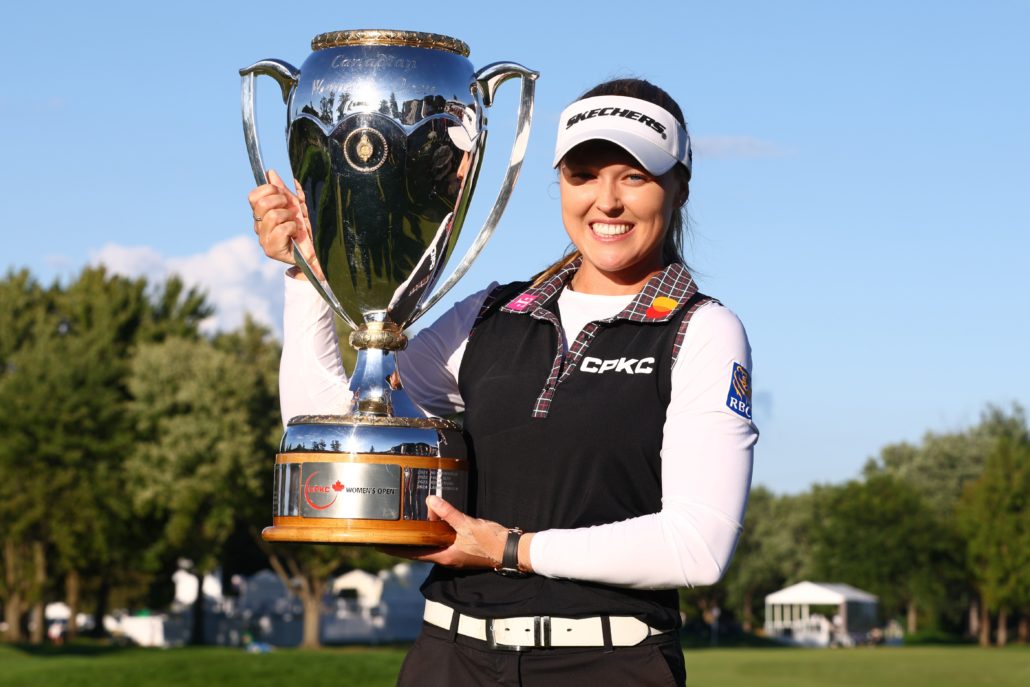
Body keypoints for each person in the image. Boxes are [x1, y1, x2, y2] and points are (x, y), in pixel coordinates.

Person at [249, 78, 757, 686]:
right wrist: (303, 275)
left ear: (679, 187)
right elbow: (328, 436)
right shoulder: (491, 313)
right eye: (584, 175)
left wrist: (510, 549)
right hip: (450, 657)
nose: (608, 200)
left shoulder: (701, 330)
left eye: (635, 176)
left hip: (607, 663)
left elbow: (697, 545)